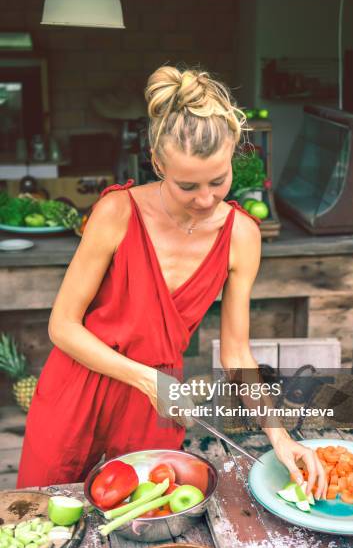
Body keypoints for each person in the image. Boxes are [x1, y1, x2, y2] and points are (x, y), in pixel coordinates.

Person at [17, 65, 326, 499]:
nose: (205, 199)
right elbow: (62, 326)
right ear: (157, 163)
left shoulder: (242, 235)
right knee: (41, 511)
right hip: (79, 386)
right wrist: (147, 380)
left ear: (234, 151)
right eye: (187, 185)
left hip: (156, 402)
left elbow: (237, 353)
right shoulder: (116, 212)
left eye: (218, 181)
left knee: (146, 519)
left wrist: (280, 438)